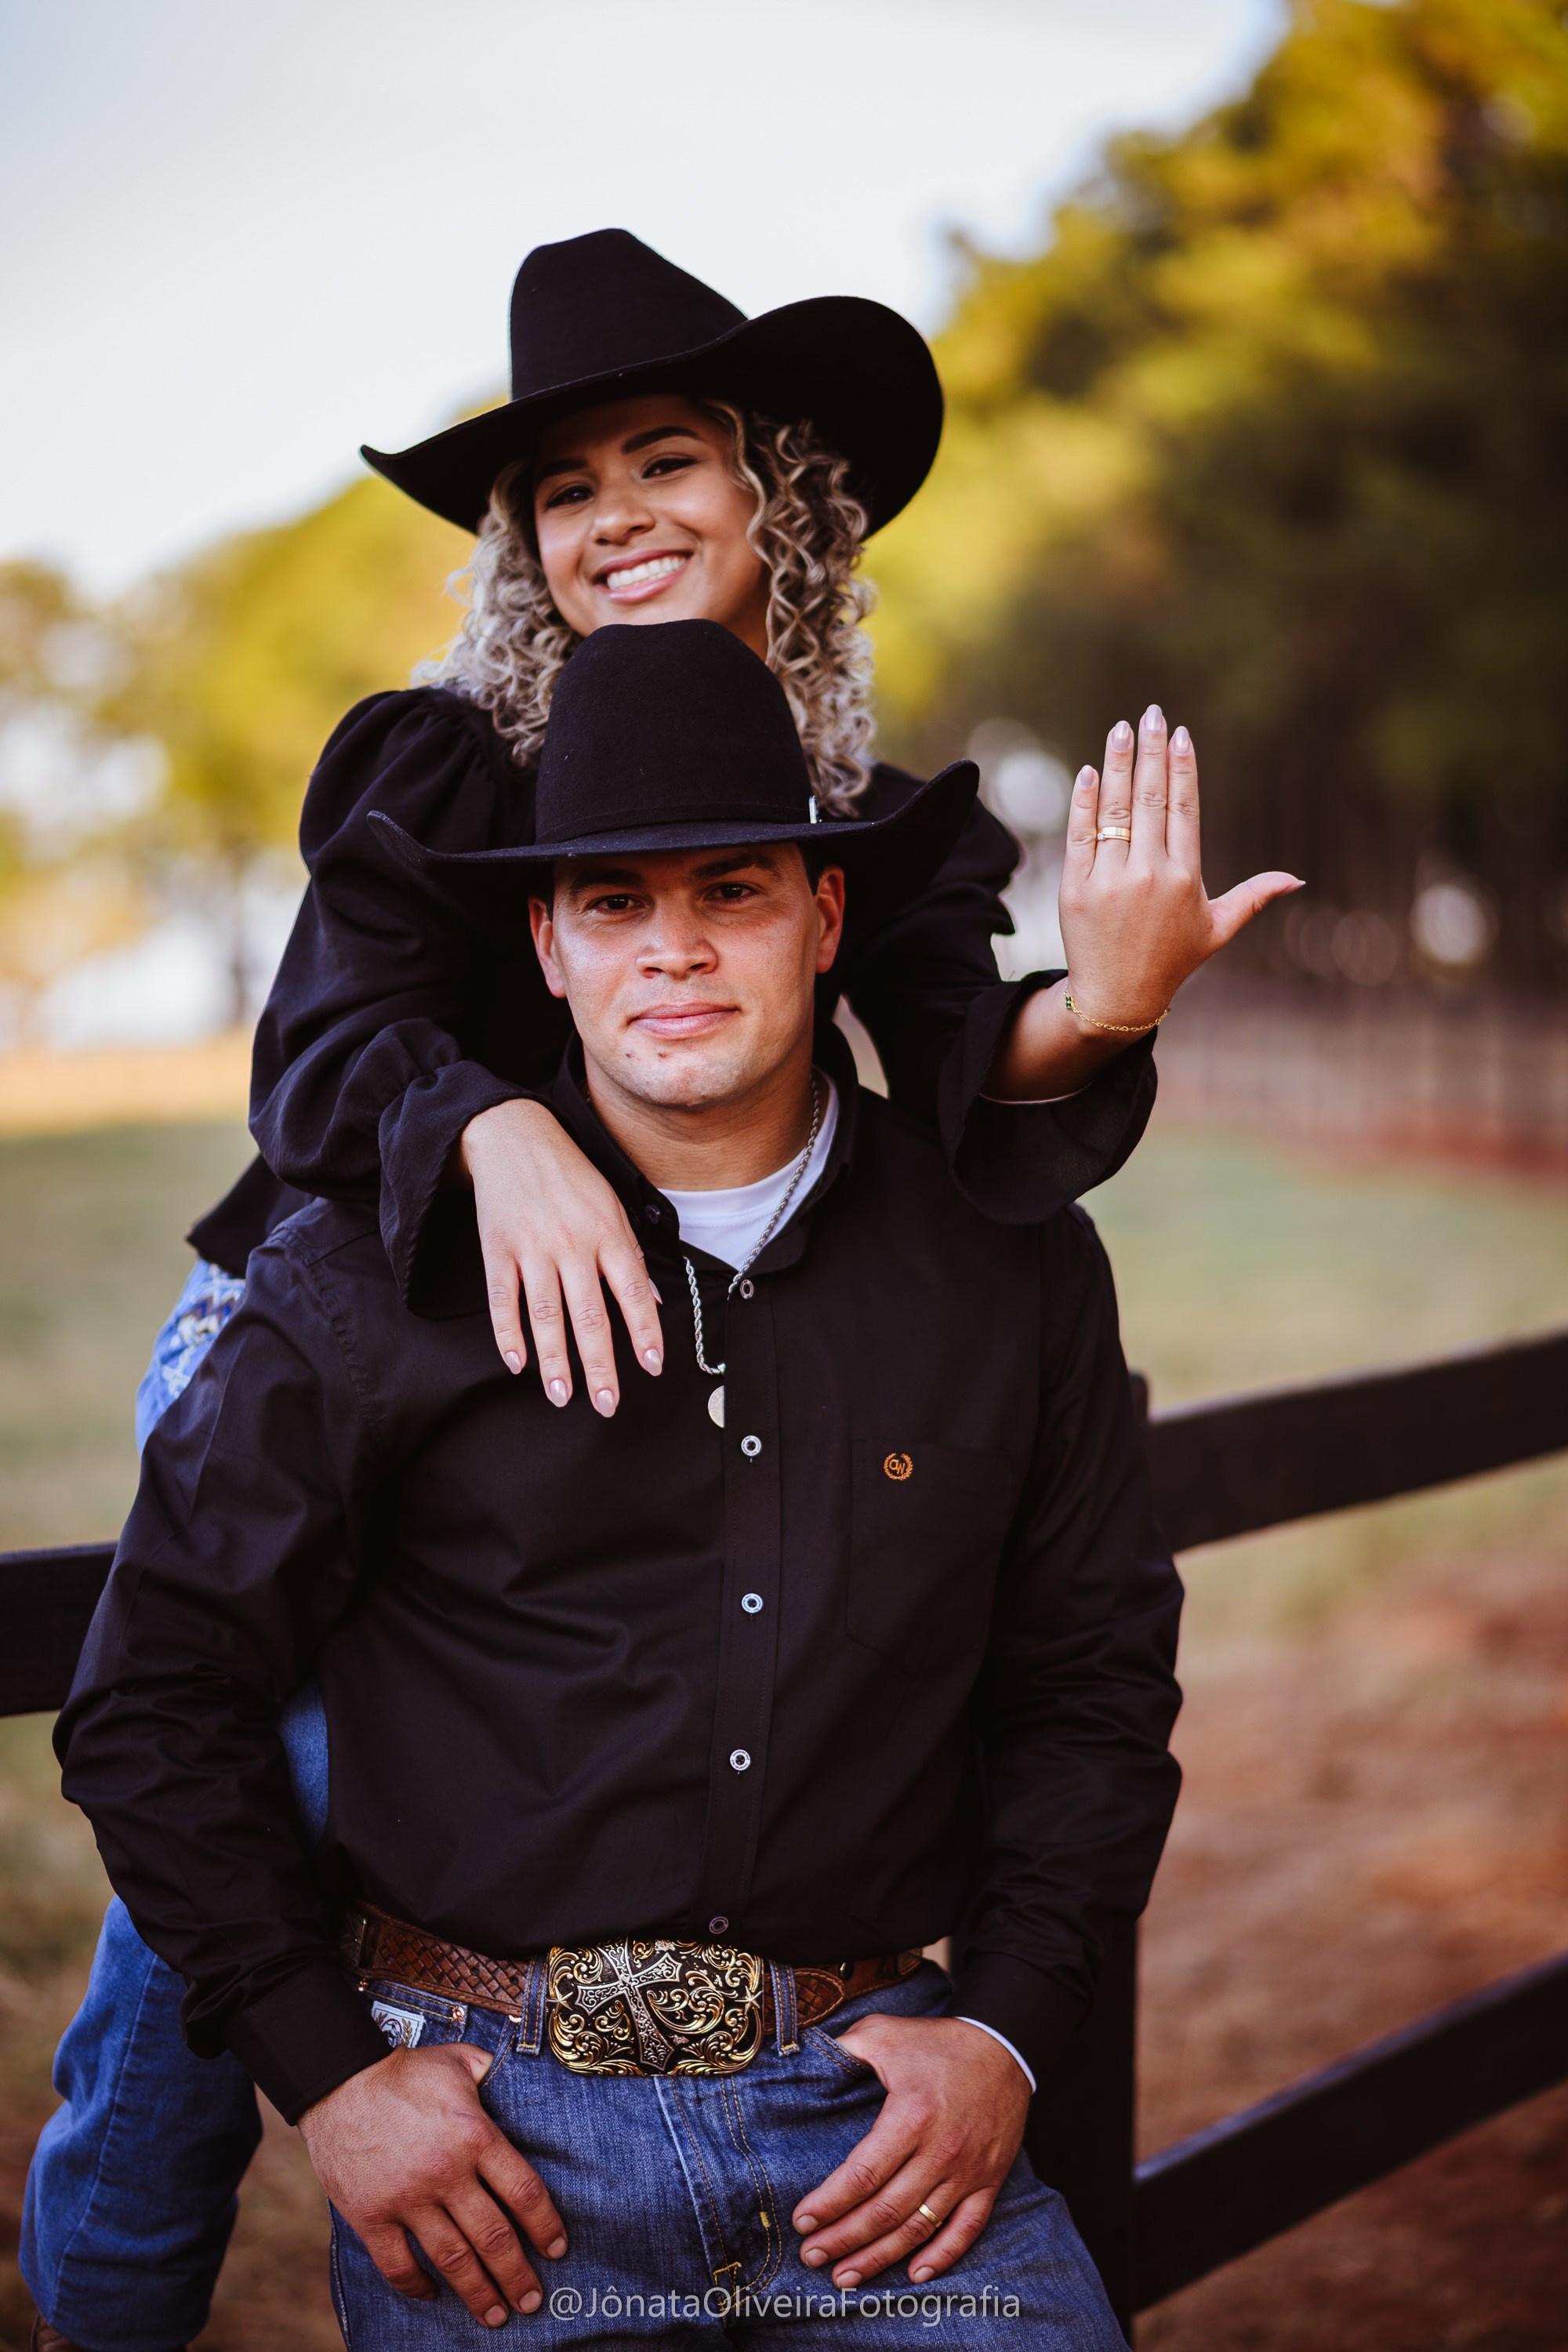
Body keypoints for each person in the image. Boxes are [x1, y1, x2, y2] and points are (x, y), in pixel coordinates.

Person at [24, 230, 1295, 2352]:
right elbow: (319, 1050)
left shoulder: (840, 814)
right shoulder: (450, 760)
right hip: (356, 1314)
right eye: (566, 488)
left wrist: (1107, 1003)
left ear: (772, 493)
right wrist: (494, 1132)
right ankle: (113, 2294)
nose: (616, 516)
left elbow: (961, 1069)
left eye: (666, 461)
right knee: (264, 1831)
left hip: (665, 1328)